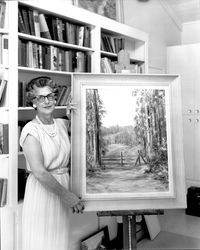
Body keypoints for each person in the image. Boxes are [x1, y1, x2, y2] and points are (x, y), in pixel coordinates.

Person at [19, 76, 84, 250]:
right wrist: (67, 196)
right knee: (42, 242)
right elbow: (40, 172)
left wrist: (73, 114)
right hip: (43, 191)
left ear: (56, 98)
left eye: (50, 96)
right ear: (33, 102)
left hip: (63, 185)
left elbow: (85, 130)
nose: (47, 101)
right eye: (41, 97)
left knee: (59, 242)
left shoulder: (63, 123)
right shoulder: (30, 130)